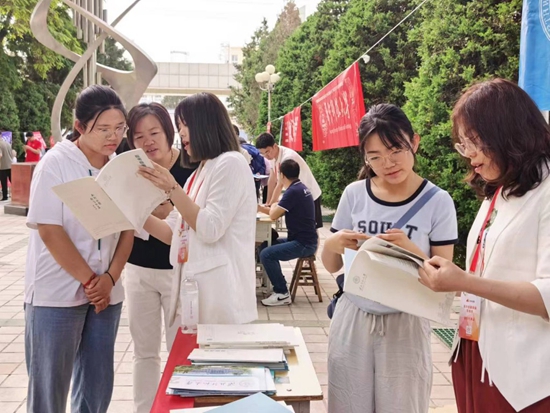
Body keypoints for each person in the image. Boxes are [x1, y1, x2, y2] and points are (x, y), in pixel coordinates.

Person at [419, 79, 550, 413]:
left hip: (524, 375)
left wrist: (466, 281)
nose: (469, 154)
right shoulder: (502, 188)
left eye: (475, 141)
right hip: (476, 351)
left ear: (508, 132)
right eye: (463, 143)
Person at [322, 104, 458, 413]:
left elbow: (445, 279)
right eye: (375, 156)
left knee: (402, 405)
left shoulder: (437, 201)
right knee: (347, 404)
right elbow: (332, 266)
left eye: (396, 150)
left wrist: (410, 249)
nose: (388, 163)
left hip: (405, 321)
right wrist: (332, 243)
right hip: (353, 315)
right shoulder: (354, 194)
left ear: (415, 142)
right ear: (365, 157)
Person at [24, 85, 133, 413]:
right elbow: (49, 230)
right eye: (103, 129)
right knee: (49, 392)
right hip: (57, 295)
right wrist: (91, 281)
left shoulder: (120, 167)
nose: (113, 137)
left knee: (96, 389)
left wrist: (109, 279)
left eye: (120, 128)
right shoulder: (56, 163)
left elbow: (128, 228)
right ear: (80, 126)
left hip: (106, 295)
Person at [138, 92, 258, 325]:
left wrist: (172, 188)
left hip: (222, 297)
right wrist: (132, 213)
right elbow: (171, 232)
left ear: (206, 124)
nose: (181, 133)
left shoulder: (231, 163)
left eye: (185, 125)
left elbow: (210, 228)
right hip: (197, 295)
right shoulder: (198, 173)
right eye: (179, 127)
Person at [124, 102, 196, 413]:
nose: (147, 142)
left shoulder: (190, 169)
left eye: (154, 133)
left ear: (169, 132)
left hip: (177, 272)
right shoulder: (130, 170)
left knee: (180, 350)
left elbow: (187, 223)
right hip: (138, 269)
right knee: (144, 352)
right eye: (139, 137)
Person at [258, 159, 318, 306]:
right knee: (264, 246)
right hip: (303, 239)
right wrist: (266, 207)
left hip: (303, 243)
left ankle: (282, 293)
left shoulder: (293, 192)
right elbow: (274, 209)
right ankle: (274, 283)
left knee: (266, 254)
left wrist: (264, 206)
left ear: (282, 175)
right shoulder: (300, 188)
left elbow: (273, 214)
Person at [256, 132, 323, 227]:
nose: (266, 155)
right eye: (262, 153)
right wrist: (268, 203)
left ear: (275, 146)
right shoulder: (272, 157)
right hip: (296, 194)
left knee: (312, 228)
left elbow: (280, 184)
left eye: (267, 151)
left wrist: (271, 206)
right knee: (301, 227)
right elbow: (272, 179)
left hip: (309, 193)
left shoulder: (288, 158)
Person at [0, 136, 12, 200]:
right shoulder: (8, 143)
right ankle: (18, 194)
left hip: (2, 166)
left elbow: (0, 155)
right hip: (10, 165)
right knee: (13, 181)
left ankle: (5, 196)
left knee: (4, 182)